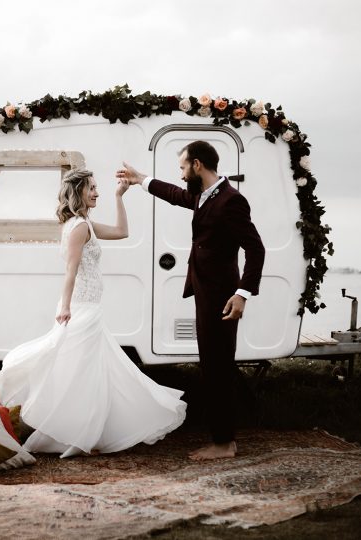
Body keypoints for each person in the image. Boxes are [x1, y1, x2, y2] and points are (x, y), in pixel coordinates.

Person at [0, 168, 187, 458]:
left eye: (97, 188)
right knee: (78, 373)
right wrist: (66, 307)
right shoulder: (79, 227)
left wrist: (119, 196)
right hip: (80, 309)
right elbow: (71, 270)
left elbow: (123, 232)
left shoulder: (86, 223)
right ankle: (77, 433)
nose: (96, 192)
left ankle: (88, 431)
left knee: (89, 373)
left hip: (90, 307)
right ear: (78, 193)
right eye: (92, 188)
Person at [116, 140, 265, 460]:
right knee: (213, 366)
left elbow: (255, 249)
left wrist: (242, 293)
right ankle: (225, 438)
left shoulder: (231, 201)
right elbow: (176, 195)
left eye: (183, 167)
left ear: (198, 165)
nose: (182, 174)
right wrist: (141, 179)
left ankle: (223, 444)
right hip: (206, 294)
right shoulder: (205, 195)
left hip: (223, 299)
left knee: (218, 368)